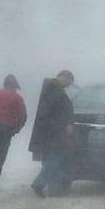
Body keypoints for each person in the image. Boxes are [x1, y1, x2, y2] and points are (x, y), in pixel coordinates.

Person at [28, 69, 75, 197]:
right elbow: (56, 110)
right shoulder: (54, 89)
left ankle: (55, 190)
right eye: (69, 81)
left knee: (54, 159)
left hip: (51, 130)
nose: (69, 85)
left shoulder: (53, 88)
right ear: (62, 77)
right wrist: (66, 123)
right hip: (55, 131)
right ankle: (39, 183)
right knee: (55, 158)